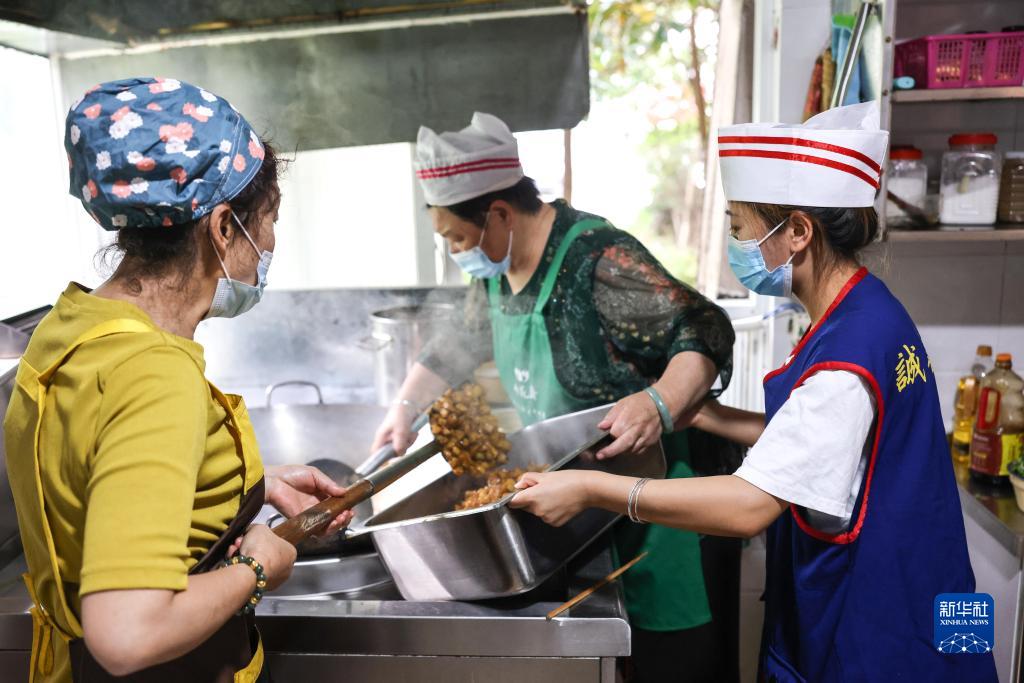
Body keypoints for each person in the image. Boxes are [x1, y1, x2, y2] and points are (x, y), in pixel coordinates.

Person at [510, 102, 999, 682]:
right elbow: (823, 447)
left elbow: (749, 507)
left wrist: (593, 487)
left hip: (880, 625)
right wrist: (707, 416)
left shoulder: (847, 355)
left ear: (797, 232)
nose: (735, 242)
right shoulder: (869, 310)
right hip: (931, 583)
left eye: (740, 226)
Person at [3, 77, 351, 683]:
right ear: (221, 228)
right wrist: (257, 566)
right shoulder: (155, 372)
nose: (268, 243)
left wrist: (241, 489)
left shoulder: (72, 326)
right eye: (266, 221)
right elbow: (127, 634)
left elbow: (94, 479)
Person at [371, 112, 741, 682]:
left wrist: (659, 402)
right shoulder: (497, 268)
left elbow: (703, 328)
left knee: (674, 667)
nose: (455, 252)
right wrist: (402, 413)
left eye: (457, 238)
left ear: (498, 213)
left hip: (660, 505)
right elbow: (454, 347)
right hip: (582, 508)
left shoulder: (596, 258)